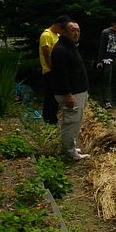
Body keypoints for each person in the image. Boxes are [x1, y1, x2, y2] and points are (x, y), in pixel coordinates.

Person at [50, 20, 90, 161]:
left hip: (78, 91)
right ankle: (70, 153)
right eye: (72, 30)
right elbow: (61, 75)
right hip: (71, 93)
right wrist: (68, 95)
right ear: (64, 32)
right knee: (71, 122)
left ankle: (70, 147)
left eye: (78, 30)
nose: (76, 33)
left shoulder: (70, 46)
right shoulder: (61, 50)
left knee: (76, 121)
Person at [39, 15, 70, 124]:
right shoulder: (46, 35)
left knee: (56, 96)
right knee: (51, 96)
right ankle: (48, 118)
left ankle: (53, 117)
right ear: (57, 25)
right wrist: (54, 69)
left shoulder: (56, 35)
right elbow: (47, 55)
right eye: (62, 28)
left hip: (57, 70)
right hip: (49, 71)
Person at [96, 15, 116, 108]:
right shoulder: (105, 32)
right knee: (107, 79)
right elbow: (102, 47)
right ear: (113, 23)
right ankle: (107, 100)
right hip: (107, 58)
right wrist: (100, 60)